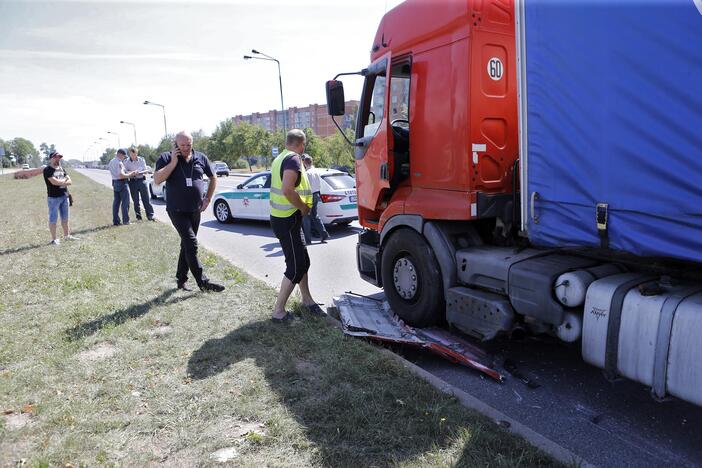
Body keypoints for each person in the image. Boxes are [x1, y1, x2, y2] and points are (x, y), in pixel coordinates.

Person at [154, 131, 224, 292]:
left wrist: (207, 198)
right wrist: (173, 162)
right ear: (176, 145)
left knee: (186, 245)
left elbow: (213, 177)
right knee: (191, 243)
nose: (186, 148)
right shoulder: (166, 157)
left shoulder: (201, 157)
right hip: (176, 210)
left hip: (195, 209)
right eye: (182, 145)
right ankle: (203, 282)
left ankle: (181, 279)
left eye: (189, 145)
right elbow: (157, 179)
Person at [269, 129, 325, 323]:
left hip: (285, 219)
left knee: (303, 261)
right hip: (288, 218)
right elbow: (287, 189)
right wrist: (303, 208)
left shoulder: (280, 157)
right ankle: (278, 312)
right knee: (296, 266)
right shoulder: (293, 159)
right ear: (301, 144)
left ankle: (307, 300)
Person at [43, 151, 79, 245]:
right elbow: (54, 182)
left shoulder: (61, 169)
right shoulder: (47, 170)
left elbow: (70, 181)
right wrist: (64, 181)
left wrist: (62, 181)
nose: (58, 159)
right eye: (56, 157)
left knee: (65, 218)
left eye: (59, 157)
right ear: (51, 158)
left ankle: (67, 236)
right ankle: (54, 240)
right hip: (53, 198)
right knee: (53, 218)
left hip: (64, 196)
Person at [301, 154, 330, 245]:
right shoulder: (316, 171)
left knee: (306, 217)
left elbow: (306, 187)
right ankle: (324, 234)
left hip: (309, 196)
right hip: (316, 194)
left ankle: (307, 239)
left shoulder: (307, 173)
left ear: (305, 163)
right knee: (315, 215)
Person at [124, 146, 155, 221]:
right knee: (136, 201)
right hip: (132, 182)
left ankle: (150, 215)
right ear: (129, 154)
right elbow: (125, 171)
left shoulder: (141, 160)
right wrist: (132, 173)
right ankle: (138, 217)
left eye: (134, 154)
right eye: (131, 154)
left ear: (137, 153)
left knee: (146, 199)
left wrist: (139, 172)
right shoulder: (126, 161)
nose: (133, 156)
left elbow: (146, 170)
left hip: (141, 180)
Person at [108, 149, 137, 225]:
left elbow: (120, 173)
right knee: (125, 202)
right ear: (120, 154)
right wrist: (130, 175)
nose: (124, 158)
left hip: (115, 182)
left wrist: (128, 173)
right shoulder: (119, 163)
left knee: (116, 203)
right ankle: (126, 221)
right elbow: (121, 175)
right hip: (122, 183)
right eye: (124, 156)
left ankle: (116, 221)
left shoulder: (111, 161)